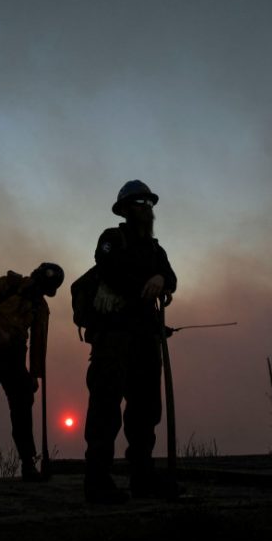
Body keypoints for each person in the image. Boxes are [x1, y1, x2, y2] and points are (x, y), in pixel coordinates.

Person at [82, 180, 178, 503]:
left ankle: (143, 477)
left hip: (145, 338)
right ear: (125, 209)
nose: (146, 209)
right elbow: (110, 268)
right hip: (114, 336)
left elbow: (171, 276)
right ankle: (97, 481)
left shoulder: (155, 249)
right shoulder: (112, 238)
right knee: (105, 407)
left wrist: (161, 278)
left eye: (149, 203)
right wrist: (146, 284)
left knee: (146, 410)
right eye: (139, 203)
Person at [0, 262, 64, 485]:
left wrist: (35, 375)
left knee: (22, 408)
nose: (38, 291)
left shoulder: (41, 308)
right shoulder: (6, 284)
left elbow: (39, 342)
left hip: (14, 355)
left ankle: (28, 464)